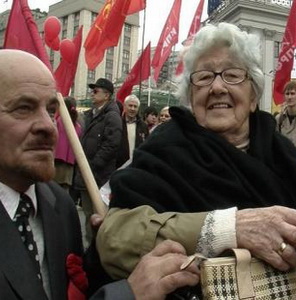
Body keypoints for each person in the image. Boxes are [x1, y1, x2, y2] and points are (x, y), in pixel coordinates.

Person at [96, 23, 296, 292]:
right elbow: (115, 237)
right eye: (204, 77)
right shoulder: (165, 148)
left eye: (232, 75)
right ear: (190, 97)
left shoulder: (280, 151)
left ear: (253, 95)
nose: (217, 87)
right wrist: (229, 229)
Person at [0, 49, 199, 300]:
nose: (48, 127)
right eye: (23, 108)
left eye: (51, 111)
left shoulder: (60, 206)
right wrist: (128, 293)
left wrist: (102, 255)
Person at [73, 78, 122, 244]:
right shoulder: (91, 115)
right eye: (92, 91)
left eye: (96, 91)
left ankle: (99, 254)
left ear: (107, 95)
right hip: (87, 175)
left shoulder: (112, 116)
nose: (92, 94)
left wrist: (93, 165)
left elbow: (112, 144)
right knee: (88, 215)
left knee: (99, 217)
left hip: (99, 177)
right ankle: (89, 251)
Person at [54, 96, 82, 191]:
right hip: (70, 163)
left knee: (53, 189)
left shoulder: (59, 121)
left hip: (57, 160)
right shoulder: (78, 125)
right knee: (65, 190)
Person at [116, 95, 149, 168]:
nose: (132, 109)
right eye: (130, 106)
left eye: (135, 106)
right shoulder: (118, 123)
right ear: (125, 106)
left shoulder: (143, 126)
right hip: (119, 165)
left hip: (136, 165)